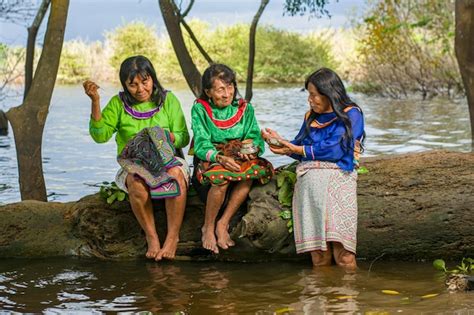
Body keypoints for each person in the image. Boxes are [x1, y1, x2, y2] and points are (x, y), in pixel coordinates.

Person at [83, 55, 190, 261]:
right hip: (134, 165)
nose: (140, 89)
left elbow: (183, 137)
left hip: (168, 161)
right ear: (125, 85)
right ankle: (151, 237)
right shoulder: (118, 103)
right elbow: (100, 135)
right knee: (136, 181)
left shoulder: (169, 100)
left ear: (153, 79)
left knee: (176, 175)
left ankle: (172, 238)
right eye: (133, 85)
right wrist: (96, 101)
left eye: (145, 81)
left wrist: (165, 137)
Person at [262, 68, 365, 269]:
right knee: (319, 257)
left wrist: (295, 148)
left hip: (338, 184)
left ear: (330, 94)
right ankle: (319, 297)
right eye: (309, 94)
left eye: (314, 95)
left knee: (344, 255)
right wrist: (282, 145)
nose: (310, 99)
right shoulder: (310, 117)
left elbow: (336, 149)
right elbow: (300, 147)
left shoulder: (352, 114)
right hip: (309, 189)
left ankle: (348, 298)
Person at [191, 63, 273, 254]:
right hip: (211, 158)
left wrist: (250, 150)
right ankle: (208, 228)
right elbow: (202, 143)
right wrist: (220, 158)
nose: (227, 94)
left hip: (238, 157)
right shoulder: (200, 109)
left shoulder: (245, 108)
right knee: (223, 179)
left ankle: (223, 223)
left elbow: (255, 136)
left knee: (249, 172)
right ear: (208, 92)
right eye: (220, 89)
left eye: (230, 87)